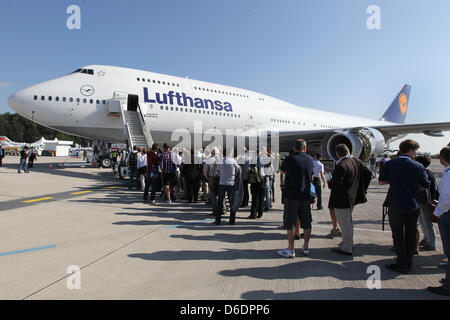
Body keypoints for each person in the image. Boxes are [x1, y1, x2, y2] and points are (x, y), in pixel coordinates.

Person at [379, 139, 430, 274]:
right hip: (412, 204)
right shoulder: (418, 166)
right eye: (416, 150)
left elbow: (381, 181)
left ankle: (401, 263)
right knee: (411, 233)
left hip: (395, 203)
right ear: (411, 150)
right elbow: (426, 184)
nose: (416, 153)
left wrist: (395, 180)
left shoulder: (390, 164)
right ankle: (408, 262)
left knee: (397, 233)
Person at [329, 144, 372, 256]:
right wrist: (362, 189)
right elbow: (368, 173)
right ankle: (349, 243)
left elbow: (335, 184)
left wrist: (330, 180)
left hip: (342, 199)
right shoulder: (355, 161)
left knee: (345, 224)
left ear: (337, 154)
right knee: (348, 222)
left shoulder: (341, 165)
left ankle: (346, 248)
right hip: (352, 197)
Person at [277, 139, 314, 258]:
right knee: (307, 222)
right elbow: (312, 175)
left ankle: (291, 249)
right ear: (305, 148)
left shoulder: (290, 158)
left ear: (294, 147)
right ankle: (306, 246)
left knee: (291, 223)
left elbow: (282, 171)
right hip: (305, 195)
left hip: (292, 195)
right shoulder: (309, 159)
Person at [427, 147, 450, 296]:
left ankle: (448, 286)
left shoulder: (448, 174)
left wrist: (437, 212)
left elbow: (446, 196)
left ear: (442, 159)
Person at [415, 155, 438, 251]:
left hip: (426, 202)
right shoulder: (429, 173)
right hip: (426, 201)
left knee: (427, 223)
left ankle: (432, 243)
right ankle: (426, 239)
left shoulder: (425, 174)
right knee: (423, 222)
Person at [214, 148, 241, 225]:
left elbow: (217, 171)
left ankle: (218, 220)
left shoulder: (221, 161)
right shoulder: (233, 161)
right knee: (232, 202)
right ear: (230, 153)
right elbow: (238, 170)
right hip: (231, 183)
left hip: (222, 183)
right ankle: (232, 220)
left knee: (220, 202)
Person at [248, 151, 265, 219]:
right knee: (261, 198)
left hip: (254, 180)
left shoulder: (252, 160)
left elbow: (248, 169)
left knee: (254, 198)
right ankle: (260, 213)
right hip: (261, 179)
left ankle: (253, 214)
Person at [203, 147, 220, 214]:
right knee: (221, 194)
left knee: (213, 194)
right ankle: (222, 208)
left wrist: (208, 178)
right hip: (220, 178)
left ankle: (215, 210)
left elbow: (205, 171)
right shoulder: (221, 159)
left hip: (212, 178)